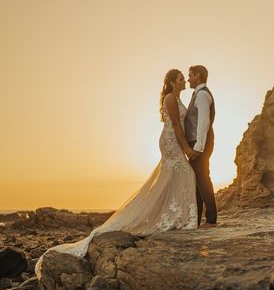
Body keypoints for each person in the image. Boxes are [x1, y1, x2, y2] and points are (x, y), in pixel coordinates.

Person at [36, 70, 198, 276]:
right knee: (186, 174)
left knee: (177, 177)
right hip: (171, 141)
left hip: (172, 140)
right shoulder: (170, 98)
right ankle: (178, 217)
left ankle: (177, 216)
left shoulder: (176, 98)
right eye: (181, 79)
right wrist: (186, 148)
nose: (184, 81)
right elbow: (175, 124)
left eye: (184, 78)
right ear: (173, 83)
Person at [185, 65, 218, 228]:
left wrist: (198, 146)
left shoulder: (203, 94)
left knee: (203, 178)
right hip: (199, 141)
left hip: (200, 142)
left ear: (198, 76)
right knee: (197, 180)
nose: (188, 78)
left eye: (190, 75)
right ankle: (196, 220)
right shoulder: (198, 94)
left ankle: (211, 219)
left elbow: (204, 121)